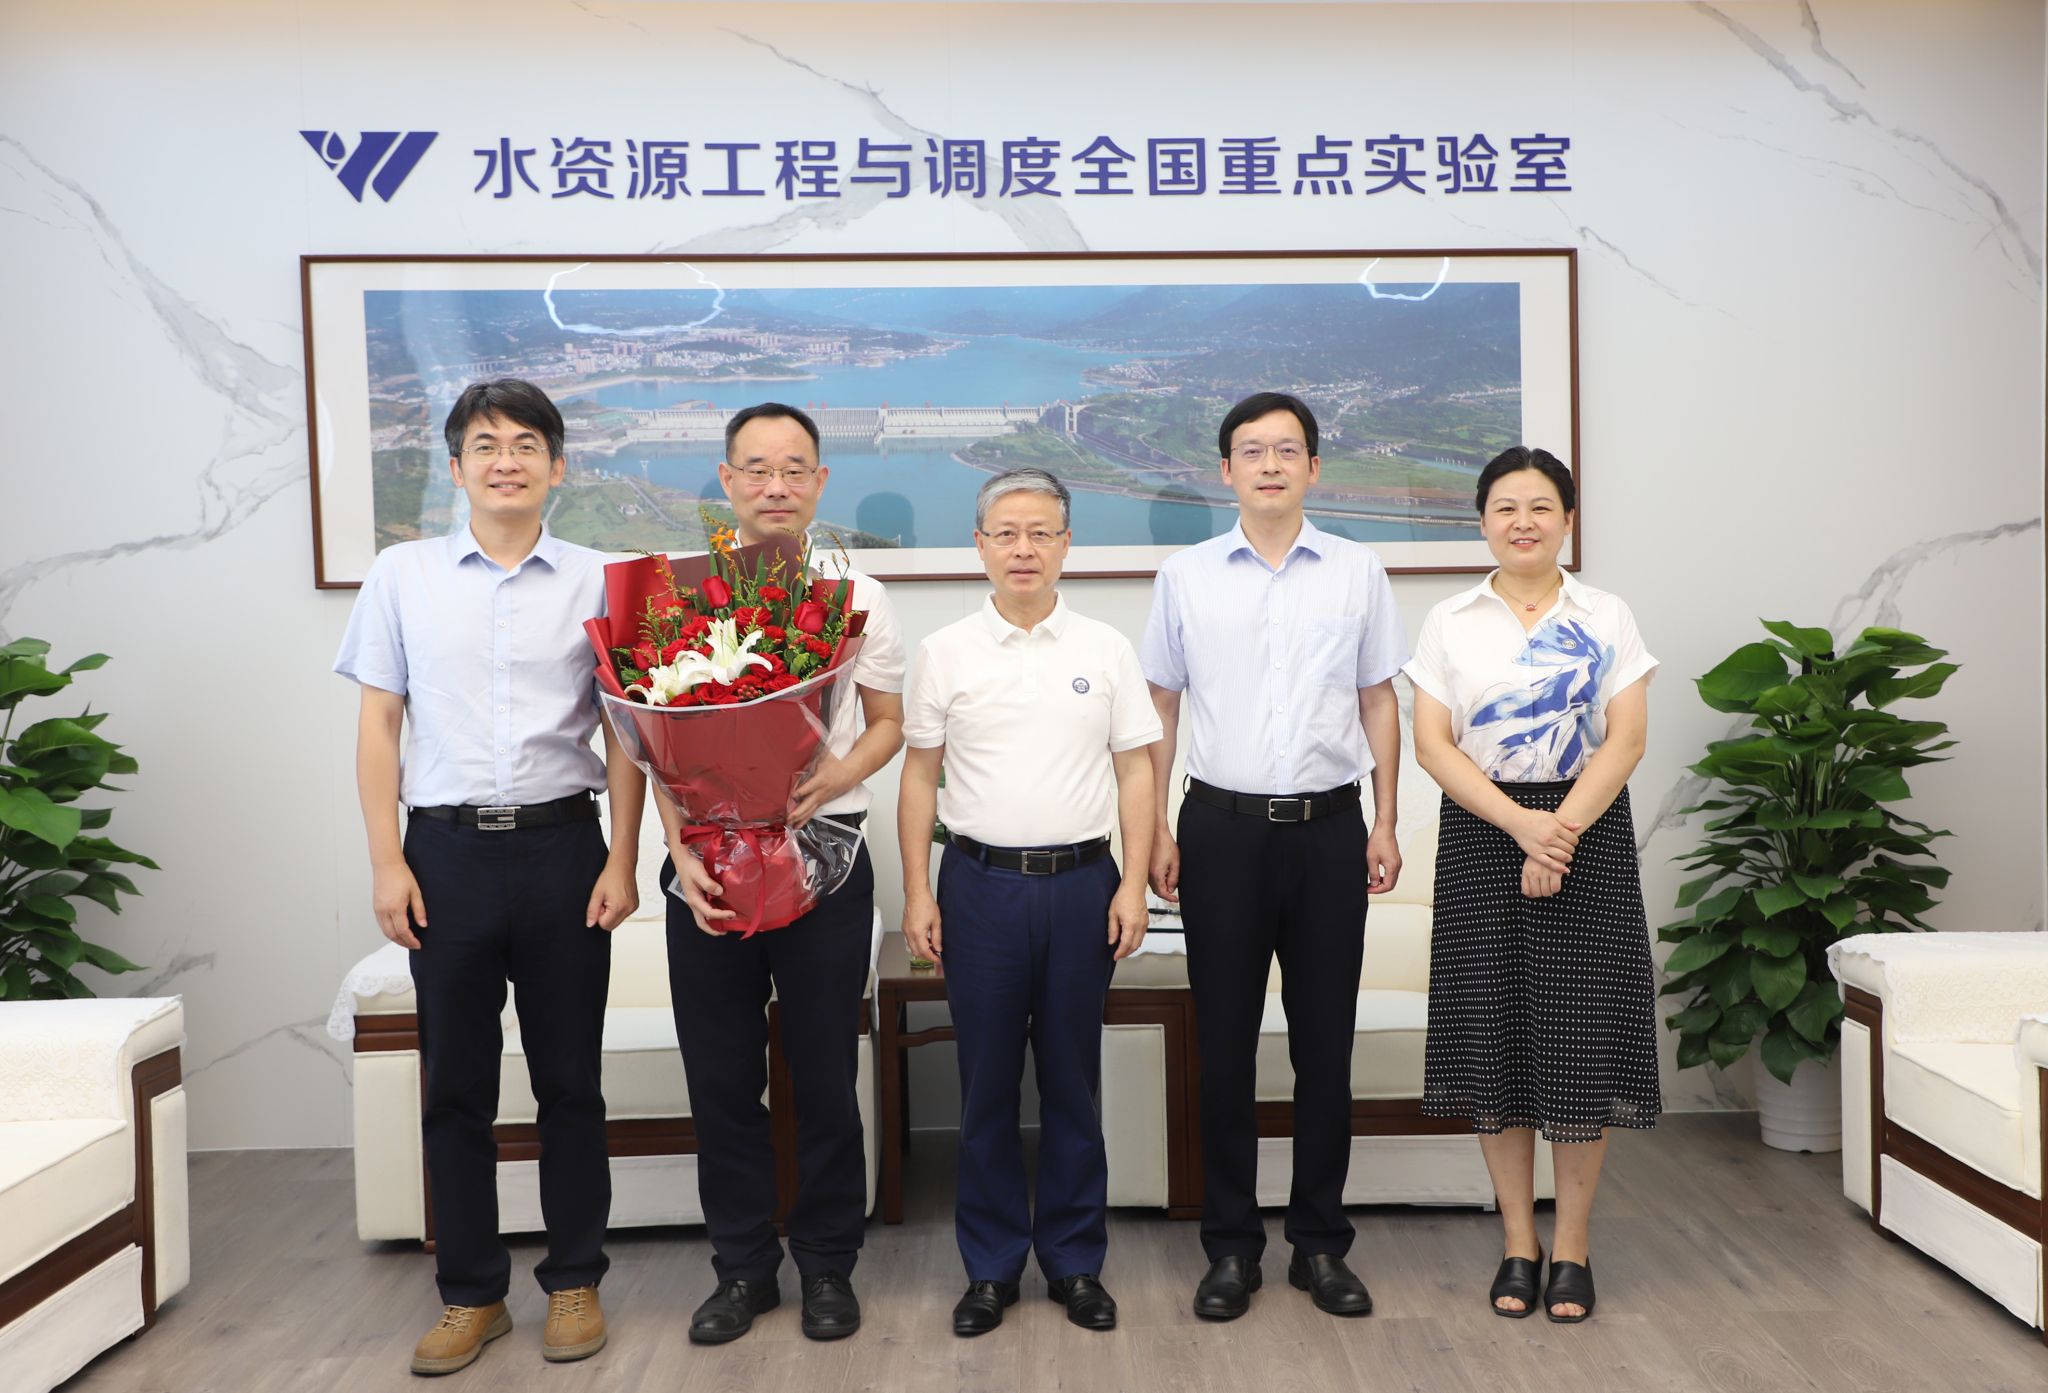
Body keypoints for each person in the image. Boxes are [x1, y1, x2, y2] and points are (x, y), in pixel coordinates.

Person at [334, 378, 644, 1376]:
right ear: (456, 466)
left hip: (565, 850)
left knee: (570, 1083)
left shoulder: (603, 580)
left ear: (558, 465)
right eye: (484, 444)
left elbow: (627, 731)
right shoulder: (403, 575)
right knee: (456, 1088)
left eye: (524, 444)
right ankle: (471, 1294)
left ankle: (575, 1280)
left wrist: (623, 856)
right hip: (446, 855)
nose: (504, 460)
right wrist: (387, 859)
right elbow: (379, 724)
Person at [1139, 392, 1406, 1323]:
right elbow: (1160, 706)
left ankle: (1320, 1244)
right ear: (1226, 470)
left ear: (1314, 468)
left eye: (1288, 450)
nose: (1270, 465)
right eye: (1251, 451)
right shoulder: (1185, 575)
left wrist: (1386, 819)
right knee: (1224, 1044)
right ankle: (1231, 1246)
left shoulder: (1358, 571)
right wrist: (1156, 829)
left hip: (1332, 829)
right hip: (1220, 830)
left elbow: (1379, 699)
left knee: (1324, 1045)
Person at [657, 402, 906, 1345]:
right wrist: (681, 845)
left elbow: (886, 723)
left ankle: (829, 1265)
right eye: (756, 469)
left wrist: (834, 775)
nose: (775, 486)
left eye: (794, 469)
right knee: (721, 1080)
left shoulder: (862, 594)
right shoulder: (682, 594)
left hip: (824, 859)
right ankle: (742, 1269)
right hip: (707, 865)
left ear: (820, 482)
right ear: (726, 481)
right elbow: (649, 738)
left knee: (826, 1075)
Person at [897, 469, 1159, 1338]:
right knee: (986, 1085)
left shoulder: (1105, 648)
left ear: (1066, 544)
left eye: (1041, 532)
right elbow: (919, 777)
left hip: (1083, 884)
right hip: (979, 888)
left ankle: (1076, 1262)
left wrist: (1131, 881)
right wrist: (918, 890)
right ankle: (991, 1267)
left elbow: (1135, 769)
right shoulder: (946, 652)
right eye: (1006, 532)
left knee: (1073, 1082)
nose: (1023, 548)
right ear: (979, 544)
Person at [1404, 445, 1660, 1324]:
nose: (1524, 521)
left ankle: (1574, 1246)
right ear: (1482, 520)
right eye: (1506, 507)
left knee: (1580, 1039)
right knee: (1495, 1038)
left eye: (1541, 506)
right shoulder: (1450, 620)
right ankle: (1520, 1241)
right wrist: (1523, 827)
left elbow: (1626, 738)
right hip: (1484, 833)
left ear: (1567, 519)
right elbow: (1432, 743)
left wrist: (1560, 834)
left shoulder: (1607, 613)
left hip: (1588, 830)